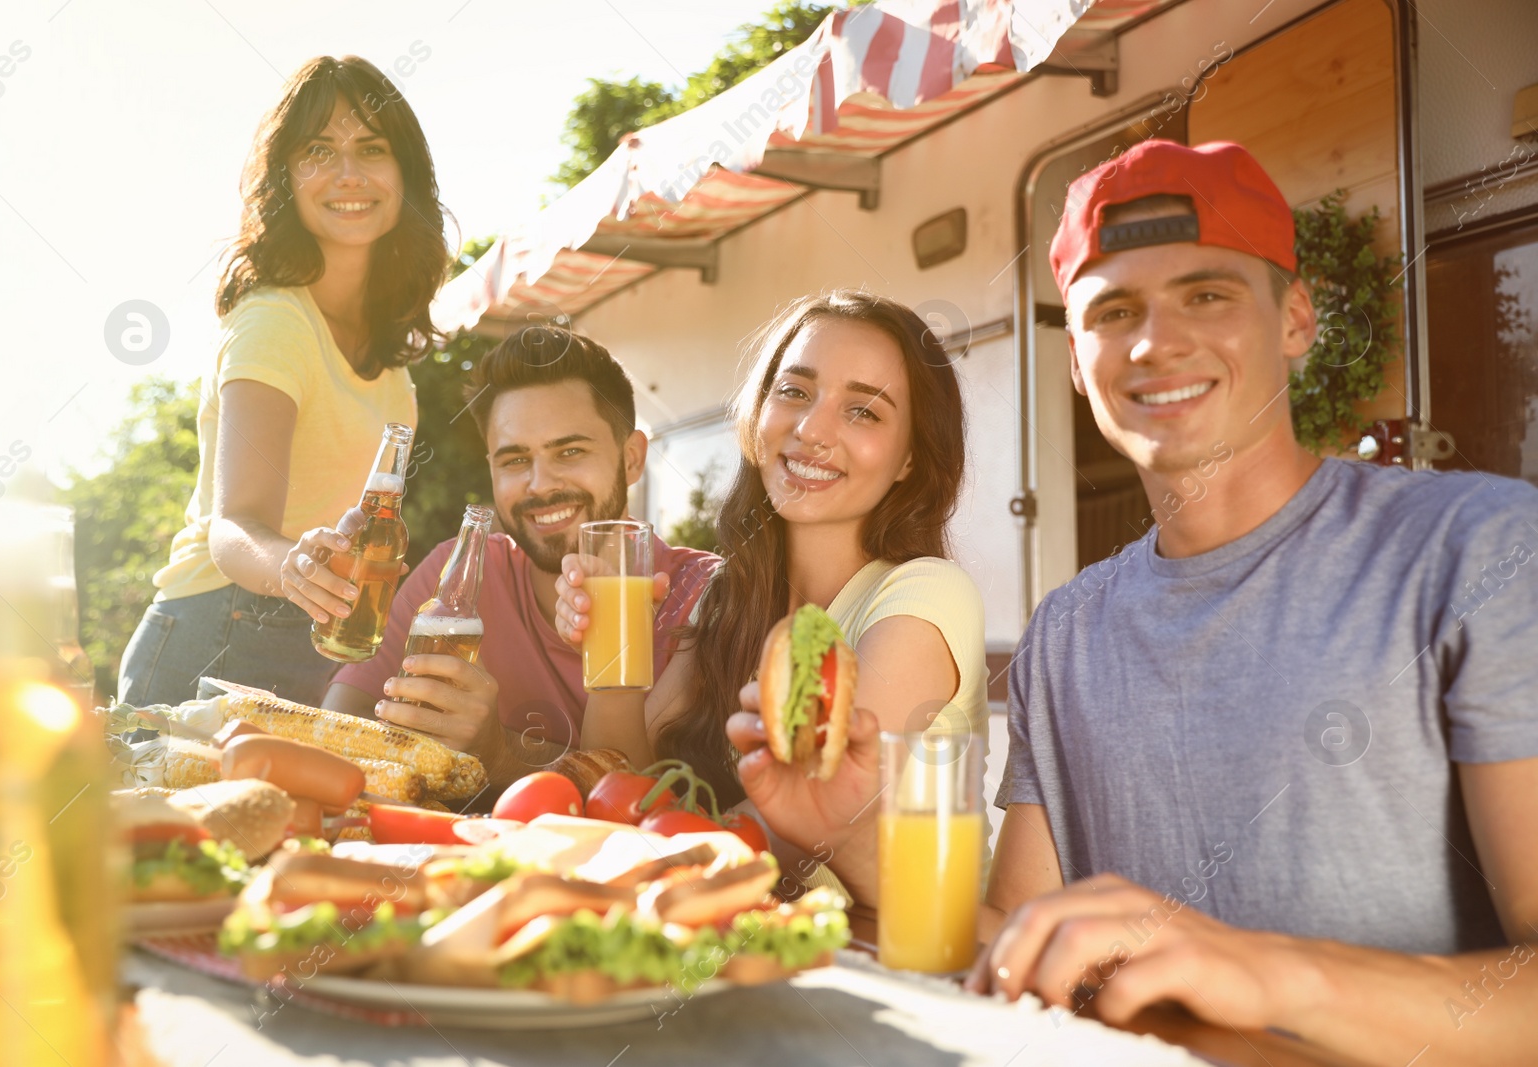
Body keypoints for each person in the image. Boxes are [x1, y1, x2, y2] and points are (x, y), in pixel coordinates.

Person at [729, 141, 1538, 1065]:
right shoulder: (1066, 630)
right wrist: (838, 825)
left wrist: (1263, 970)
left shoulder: (1481, 549)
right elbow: (1015, 937)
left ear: (1296, 318)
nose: (1156, 342)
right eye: (1115, 311)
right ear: (1077, 361)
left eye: (1207, 294)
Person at [554, 290, 988, 895]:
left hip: (896, 967)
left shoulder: (925, 596)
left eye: (864, 411)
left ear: (910, 457)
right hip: (737, 944)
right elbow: (625, 784)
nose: (812, 430)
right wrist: (609, 659)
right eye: (794, 391)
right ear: (757, 413)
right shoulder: (724, 594)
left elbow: (794, 821)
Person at [119, 56, 446, 708]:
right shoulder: (274, 320)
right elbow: (235, 523)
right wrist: (294, 564)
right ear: (286, 178)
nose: (347, 173)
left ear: (404, 173)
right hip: (212, 628)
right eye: (318, 150)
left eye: (371, 149)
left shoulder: (393, 366)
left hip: (311, 644)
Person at [320, 326, 718, 789]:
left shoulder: (706, 597)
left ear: (631, 458)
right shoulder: (460, 573)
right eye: (514, 460)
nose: (540, 484)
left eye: (569, 451)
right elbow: (335, 730)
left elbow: (636, 798)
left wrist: (497, 753)